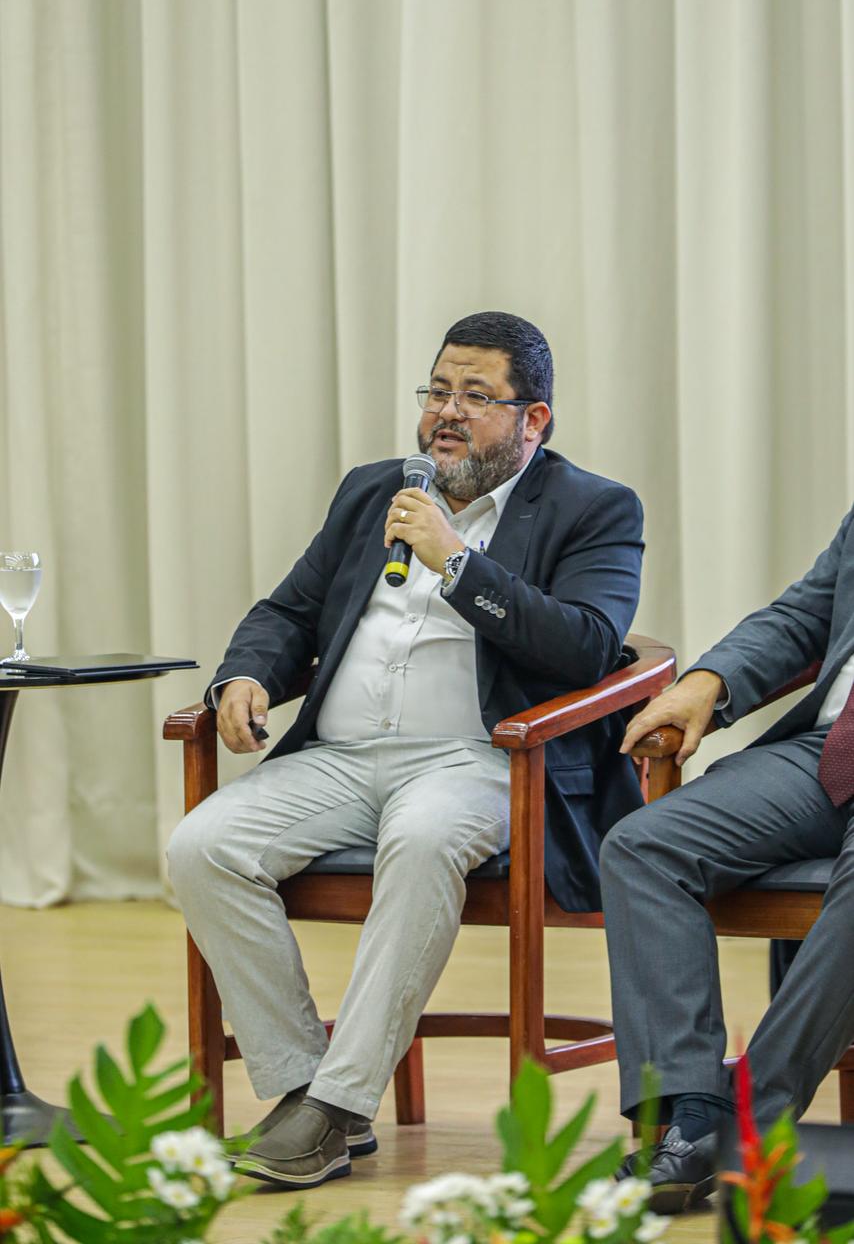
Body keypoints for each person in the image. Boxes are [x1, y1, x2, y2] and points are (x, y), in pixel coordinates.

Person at [167, 311, 644, 1190]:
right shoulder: (374, 491)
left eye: (476, 396)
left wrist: (457, 563)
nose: (446, 413)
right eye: (437, 391)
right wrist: (244, 677)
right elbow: (289, 611)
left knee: (422, 842)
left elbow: (586, 646)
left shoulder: (595, 508)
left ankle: (336, 1106)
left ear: (534, 419)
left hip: (482, 760)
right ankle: (306, 1089)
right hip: (342, 759)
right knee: (202, 846)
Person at [601, 506, 854, 1215]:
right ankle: (692, 1107)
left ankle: (743, 1122)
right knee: (645, 847)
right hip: (828, 751)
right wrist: (706, 682)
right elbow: (803, 618)